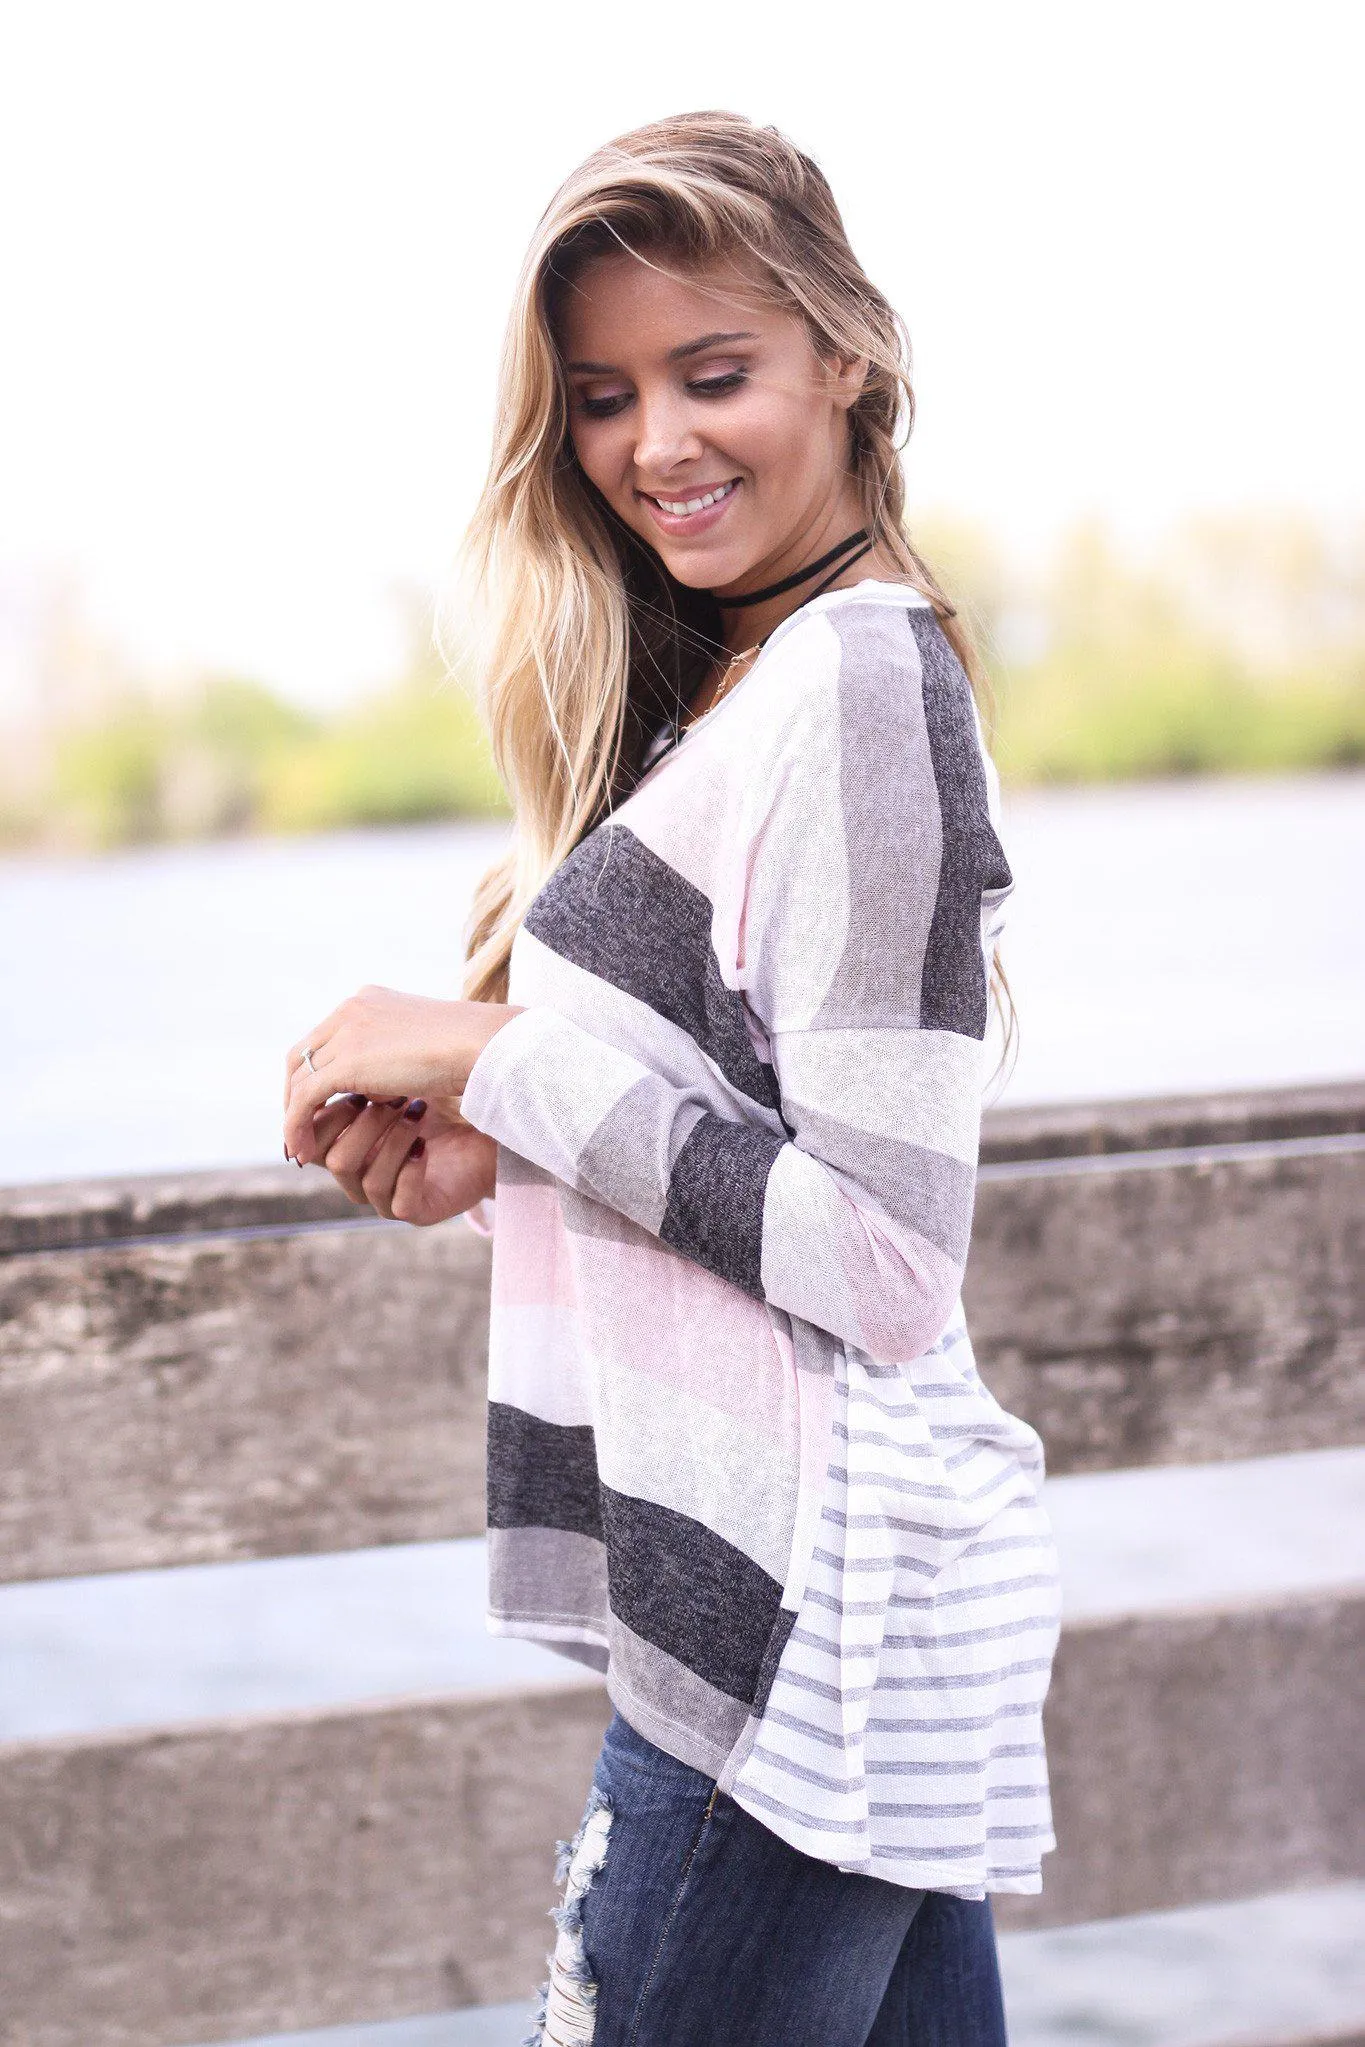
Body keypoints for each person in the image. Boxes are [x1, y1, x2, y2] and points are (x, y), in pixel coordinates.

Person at [282, 110, 1062, 2047]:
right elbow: (735, 1127)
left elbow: (883, 1259)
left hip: (794, 1653)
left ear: (842, 357)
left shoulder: (860, 688)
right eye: (607, 399)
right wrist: (502, 1140)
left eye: (714, 375)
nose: (656, 445)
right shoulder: (743, 672)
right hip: (829, 1636)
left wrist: (496, 1050)